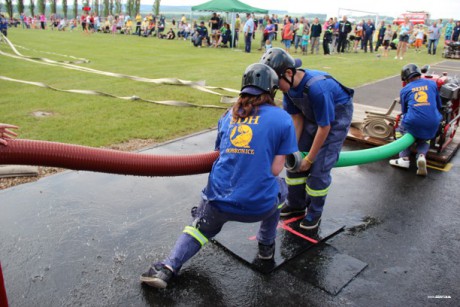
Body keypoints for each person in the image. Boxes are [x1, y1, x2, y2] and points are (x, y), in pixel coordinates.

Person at [140, 63, 298, 289]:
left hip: (219, 202)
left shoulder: (228, 115)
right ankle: (265, 246)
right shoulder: (282, 119)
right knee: (281, 188)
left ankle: (167, 268)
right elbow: (274, 170)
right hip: (259, 205)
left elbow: (220, 154)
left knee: (199, 229)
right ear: (271, 90)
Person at [260, 48, 354, 230]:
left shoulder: (317, 88)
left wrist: (310, 159)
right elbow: (296, 118)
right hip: (311, 116)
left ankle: (314, 212)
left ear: (288, 73)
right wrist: (292, 149)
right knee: (294, 163)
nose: (276, 88)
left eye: (276, 83)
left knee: (319, 168)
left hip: (334, 119)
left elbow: (324, 126)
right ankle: (296, 205)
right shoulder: (288, 90)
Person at [389, 64, 442, 176]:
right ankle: (422, 155)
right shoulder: (432, 84)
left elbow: (404, 111)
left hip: (414, 121)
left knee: (400, 129)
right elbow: (439, 105)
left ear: (406, 78)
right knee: (426, 137)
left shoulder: (405, 89)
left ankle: (404, 158)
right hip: (433, 121)